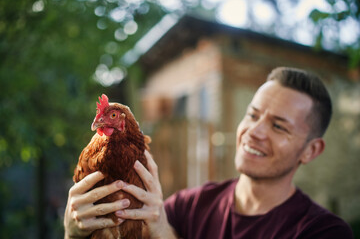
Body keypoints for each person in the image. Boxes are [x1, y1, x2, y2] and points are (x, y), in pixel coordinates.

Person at [64, 67, 353, 239]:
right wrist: (74, 234)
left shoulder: (323, 232)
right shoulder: (186, 207)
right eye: (253, 115)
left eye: (279, 126)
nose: (255, 131)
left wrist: (165, 233)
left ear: (311, 150)